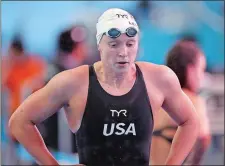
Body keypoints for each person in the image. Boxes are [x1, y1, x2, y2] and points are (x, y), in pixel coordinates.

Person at [9, 8, 199, 166]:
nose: (123, 53)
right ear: (99, 46)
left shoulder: (159, 79)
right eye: (114, 44)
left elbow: (191, 121)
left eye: (130, 44)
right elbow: (19, 122)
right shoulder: (73, 82)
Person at [150, 40, 211, 165]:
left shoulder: (155, 98)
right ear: (191, 70)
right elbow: (203, 137)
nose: (202, 77)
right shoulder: (192, 101)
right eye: (201, 70)